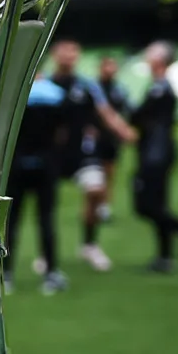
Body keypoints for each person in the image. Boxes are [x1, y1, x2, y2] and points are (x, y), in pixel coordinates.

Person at [50, 40, 135, 271]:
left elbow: (106, 113)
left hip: (82, 153)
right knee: (45, 204)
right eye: (64, 52)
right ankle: (46, 256)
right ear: (54, 55)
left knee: (97, 190)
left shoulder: (87, 86)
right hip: (51, 155)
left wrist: (125, 131)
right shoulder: (43, 83)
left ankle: (89, 244)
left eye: (73, 52)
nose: (68, 56)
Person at [131, 41, 178, 272]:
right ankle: (164, 258)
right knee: (158, 204)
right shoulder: (160, 86)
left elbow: (139, 117)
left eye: (151, 52)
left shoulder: (159, 89)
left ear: (160, 60)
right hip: (161, 152)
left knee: (145, 205)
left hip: (155, 154)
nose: (147, 55)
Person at [4, 74, 68, 295]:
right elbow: (63, 132)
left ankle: (6, 273)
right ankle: (50, 273)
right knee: (46, 219)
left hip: (17, 163)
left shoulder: (14, 92)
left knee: (11, 221)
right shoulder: (56, 94)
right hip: (47, 163)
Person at [96, 56, 130, 222]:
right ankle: (96, 205)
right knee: (96, 172)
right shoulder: (94, 88)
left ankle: (104, 206)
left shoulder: (119, 90)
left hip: (112, 138)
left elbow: (127, 109)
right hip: (96, 137)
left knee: (109, 172)